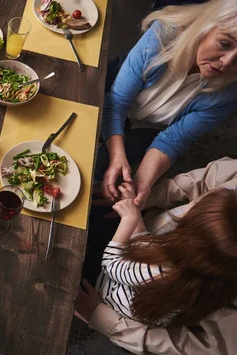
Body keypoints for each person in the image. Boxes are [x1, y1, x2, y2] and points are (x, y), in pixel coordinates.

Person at [76, 157, 237, 355]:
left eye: (194, 209)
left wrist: (129, 220)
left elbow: (112, 263)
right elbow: (146, 247)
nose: (190, 207)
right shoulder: (198, 284)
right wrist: (139, 203)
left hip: (107, 288)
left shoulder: (160, 272)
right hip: (137, 261)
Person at [99, 0, 237, 207]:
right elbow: (117, 101)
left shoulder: (230, 93)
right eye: (224, 44)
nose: (226, 62)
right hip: (112, 92)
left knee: (102, 172)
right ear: (205, 28)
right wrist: (117, 156)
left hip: (147, 127)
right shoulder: (164, 34)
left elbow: (174, 138)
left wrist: (140, 186)